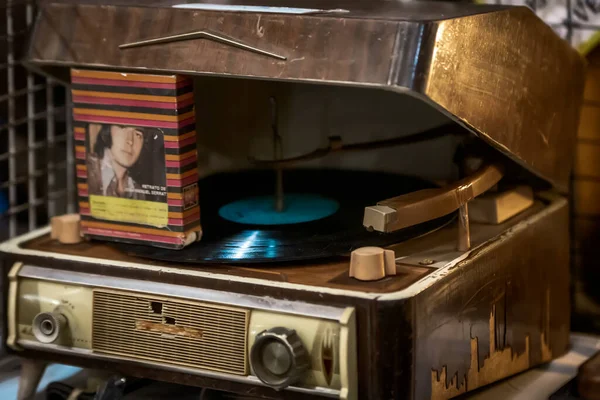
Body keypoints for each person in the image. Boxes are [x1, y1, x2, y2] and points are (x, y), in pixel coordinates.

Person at [86, 124, 163, 200]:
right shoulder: (87, 170)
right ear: (108, 131)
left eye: (138, 134)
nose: (130, 141)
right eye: (122, 128)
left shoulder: (139, 193)